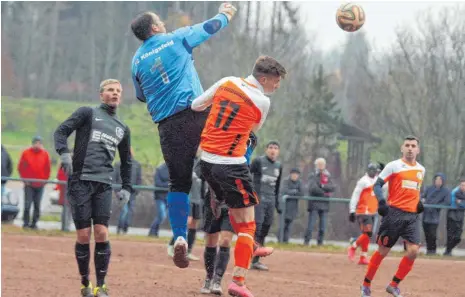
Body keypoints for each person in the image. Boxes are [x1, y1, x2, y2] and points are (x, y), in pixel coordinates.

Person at [130, 3, 237, 268]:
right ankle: (223, 200)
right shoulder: (175, 39)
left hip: (168, 125)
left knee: (178, 184)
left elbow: (141, 95)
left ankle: (179, 238)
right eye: (160, 22)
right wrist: (226, 13)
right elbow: (209, 28)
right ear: (155, 27)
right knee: (226, 153)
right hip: (196, 111)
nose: (164, 25)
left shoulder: (135, 61)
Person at [193, 55, 287, 297]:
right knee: (248, 224)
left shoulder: (227, 82)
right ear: (264, 79)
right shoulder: (262, 101)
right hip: (231, 165)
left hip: (206, 162)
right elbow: (252, 130)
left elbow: (196, 105)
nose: (277, 86)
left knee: (237, 213)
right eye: (276, 81)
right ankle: (238, 281)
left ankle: (250, 247)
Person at [54, 79, 133, 297]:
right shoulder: (87, 113)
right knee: (83, 235)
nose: (115, 93)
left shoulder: (122, 128)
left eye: (118, 91)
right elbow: (61, 131)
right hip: (80, 180)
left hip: (104, 184)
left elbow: (126, 161)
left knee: (101, 232)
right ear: (101, 95)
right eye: (110, 90)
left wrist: (127, 187)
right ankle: (85, 283)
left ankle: (101, 285)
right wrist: (64, 152)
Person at [360, 135, 425, 297]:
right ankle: (366, 284)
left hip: (412, 216)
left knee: (413, 251)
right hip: (394, 214)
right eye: (407, 145)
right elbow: (378, 185)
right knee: (383, 251)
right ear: (402, 148)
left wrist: (418, 202)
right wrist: (381, 201)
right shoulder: (394, 166)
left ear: (418, 150)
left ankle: (394, 285)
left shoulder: (421, 170)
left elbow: (414, 189)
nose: (410, 148)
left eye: (413, 146)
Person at [199, 133, 264, 295]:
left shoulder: (246, 147)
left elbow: (251, 139)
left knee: (226, 240)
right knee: (211, 240)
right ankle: (208, 277)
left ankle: (217, 280)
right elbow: (202, 171)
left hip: (234, 196)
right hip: (213, 196)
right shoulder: (216, 142)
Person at [249, 140, 282, 271]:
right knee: (257, 226)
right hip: (259, 198)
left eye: (275, 148)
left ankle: (256, 260)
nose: (273, 150)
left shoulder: (279, 166)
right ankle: (247, 257)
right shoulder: (258, 162)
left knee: (265, 228)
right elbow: (247, 173)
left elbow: (278, 186)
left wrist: (278, 203)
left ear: (278, 151)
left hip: (271, 199)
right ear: (266, 150)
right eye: (270, 148)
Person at [167, 155, 203, 261]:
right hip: (188, 196)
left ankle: (188, 251)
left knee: (194, 224)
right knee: (187, 221)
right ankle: (173, 244)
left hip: (197, 198)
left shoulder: (203, 163)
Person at [347, 163, 379, 265]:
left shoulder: (377, 180)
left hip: (372, 210)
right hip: (363, 211)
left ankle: (363, 257)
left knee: (367, 234)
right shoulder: (363, 181)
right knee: (368, 233)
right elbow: (355, 195)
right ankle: (353, 246)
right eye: (372, 170)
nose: (373, 173)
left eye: (375, 171)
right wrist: (352, 210)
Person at [18, 136, 51, 229]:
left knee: (37, 204)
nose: (38, 145)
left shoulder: (45, 154)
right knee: (27, 204)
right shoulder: (26, 153)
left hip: (40, 184)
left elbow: (47, 169)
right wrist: (25, 180)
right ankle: (25, 223)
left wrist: (44, 180)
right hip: (29, 184)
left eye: (39, 143)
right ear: (32, 144)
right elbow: (21, 167)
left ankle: (34, 223)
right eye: (36, 143)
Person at [304, 157, 335, 245]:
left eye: (322, 164)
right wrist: (325, 192)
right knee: (311, 225)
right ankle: (306, 242)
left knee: (323, 226)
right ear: (316, 165)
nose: (321, 166)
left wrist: (322, 186)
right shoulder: (312, 175)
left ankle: (320, 243)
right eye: (319, 164)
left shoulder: (328, 175)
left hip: (325, 204)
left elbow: (332, 187)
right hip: (314, 204)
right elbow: (313, 188)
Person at [113, 148, 142, 235]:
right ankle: (120, 228)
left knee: (130, 211)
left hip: (132, 192)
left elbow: (139, 179)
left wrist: (137, 190)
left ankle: (125, 228)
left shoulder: (137, 164)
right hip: (122, 191)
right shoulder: (118, 164)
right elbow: (114, 178)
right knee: (124, 210)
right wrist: (117, 191)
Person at [420, 173, 449, 255]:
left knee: (432, 233)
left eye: (440, 180)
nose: (438, 181)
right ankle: (429, 250)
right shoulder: (429, 188)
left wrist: (437, 206)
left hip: (435, 215)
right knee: (426, 232)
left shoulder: (445, 191)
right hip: (426, 214)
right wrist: (423, 199)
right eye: (436, 179)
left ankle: (433, 250)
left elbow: (447, 202)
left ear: (443, 181)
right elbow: (423, 196)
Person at [280, 168, 303, 244]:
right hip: (284, 206)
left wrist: (292, 192)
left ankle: (285, 241)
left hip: (293, 207)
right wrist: (295, 191)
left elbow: (302, 193)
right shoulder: (286, 181)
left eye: (296, 174)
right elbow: (284, 190)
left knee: (289, 224)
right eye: (293, 174)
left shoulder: (299, 182)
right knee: (283, 224)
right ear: (291, 174)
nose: (295, 176)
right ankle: (280, 239)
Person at [444, 179, 465, 256]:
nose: (463, 187)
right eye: (462, 185)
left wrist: (461, 202)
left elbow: (461, 204)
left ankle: (448, 249)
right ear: (459, 185)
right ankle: (447, 251)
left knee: (458, 237)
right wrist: (461, 203)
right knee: (450, 235)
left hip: (460, 216)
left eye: (464, 185)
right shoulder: (455, 192)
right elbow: (458, 204)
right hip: (452, 216)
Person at [149, 162, 169, 237]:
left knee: (162, 216)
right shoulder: (160, 169)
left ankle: (154, 232)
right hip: (160, 196)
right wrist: (168, 184)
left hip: (169, 196)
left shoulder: (175, 169)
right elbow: (158, 183)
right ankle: (152, 230)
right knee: (162, 215)